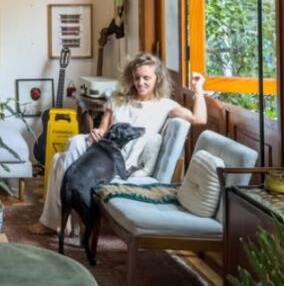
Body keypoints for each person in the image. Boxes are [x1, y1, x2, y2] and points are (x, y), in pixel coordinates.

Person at [27, 52, 206, 235]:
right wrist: (96, 132)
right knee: (74, 143)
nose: (140, 83)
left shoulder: (164, 105)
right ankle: (66, 221)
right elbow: (103, 130)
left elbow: (199, 119)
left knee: (59, 159)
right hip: (101, 152)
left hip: (120, 163)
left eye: (146, 78)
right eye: (137, 78)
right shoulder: (118, 99)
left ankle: (60, 221)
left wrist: (199, 89)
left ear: (157, 79)